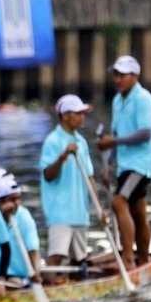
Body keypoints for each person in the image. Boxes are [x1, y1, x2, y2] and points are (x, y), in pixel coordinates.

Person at [96, 55, 151, 267]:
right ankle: (143, 260)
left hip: (142, 164)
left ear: (135, 76)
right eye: (115, 75)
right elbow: (116, 133)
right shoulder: (117, 101)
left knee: (118, 202)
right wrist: (109, 164)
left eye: (122, 75)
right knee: (138, 214)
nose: (117, 79)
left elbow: (145, 134)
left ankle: (128, 258)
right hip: (125, 164)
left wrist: (113, 141)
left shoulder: (144, 99)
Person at [38, 94, 96, 269]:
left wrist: (99, 208)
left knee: (79, 261)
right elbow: (48, 174)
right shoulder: (52, 141)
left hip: (80, 211)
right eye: (77, 113)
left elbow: (89, 176)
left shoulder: (82, 142)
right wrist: (63, 156)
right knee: (56, 257)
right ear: (64, 116)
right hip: (60, 212)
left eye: (82, 113)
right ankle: (50, 286)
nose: (82, 117)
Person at [0, 176, 43, 287]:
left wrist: (36, 271)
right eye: (12, 199)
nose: (17, 203)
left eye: (19, 198)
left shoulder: (23, 216)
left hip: (19, 277)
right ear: (0, 202)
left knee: (15, 283)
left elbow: (33, 249)